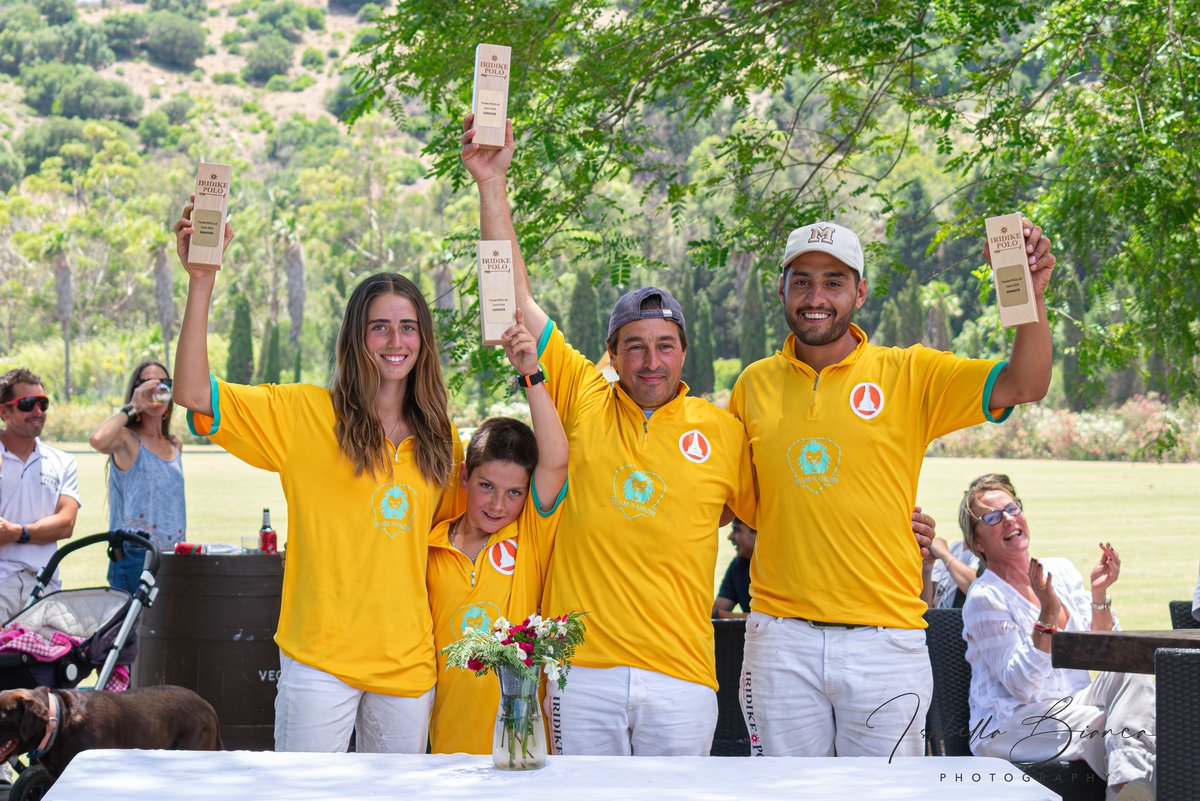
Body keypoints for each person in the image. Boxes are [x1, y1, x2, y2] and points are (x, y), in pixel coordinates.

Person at [463, 116, 756, 757]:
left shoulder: (723, 430)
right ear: (612, 354)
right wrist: (491, 181)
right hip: (580, 672)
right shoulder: (581, 392)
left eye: (665, 346)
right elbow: (515, 297)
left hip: (682, 675)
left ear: (685, 352)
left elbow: (771, 520)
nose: (651, 361)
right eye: (635, 347)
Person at [730, 218, 1057, 757]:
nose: (816, 297)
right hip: (781, 642)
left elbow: (1025, 383)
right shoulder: (752, 385)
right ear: (781, 288)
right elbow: (734, 499)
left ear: (860, 292)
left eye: (834, 282)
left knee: (885, 794)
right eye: (802, 281)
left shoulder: (910, 374)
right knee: (787, 793)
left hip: (884, 643)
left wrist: (1030, 298)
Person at [172, 205, 461, 753]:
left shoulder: (442, 439)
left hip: (408, 666)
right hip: (318, 663)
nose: (395, 341)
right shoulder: (303, 413)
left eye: (408, 327)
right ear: (356, 337)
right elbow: (191, 392)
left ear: (423, 340)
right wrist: (202, 280)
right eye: (379, 327)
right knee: (303, 793)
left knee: (395, 797)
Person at [960, 474, 1156, 801]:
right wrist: (1048, 615)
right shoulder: (985, 597)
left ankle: (1125, 788)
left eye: (1012, 508)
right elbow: (1020, 686)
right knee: (1135, 724)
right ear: (978, 543)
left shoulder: (1060, 571)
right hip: (1011, 724)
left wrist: (1099, 594)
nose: (1008, 519)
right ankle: (1128, 789)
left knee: (1137, 668)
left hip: (1072, 705)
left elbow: (1105, 653)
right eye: (992, 517)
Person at [428, 312, 569, 754]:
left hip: (517, 750)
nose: (497, 505)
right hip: (442, 747)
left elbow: (556, 460)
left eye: (513, 493)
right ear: (465, 477)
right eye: (487, 486)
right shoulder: (430, 545)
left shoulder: (528, 537)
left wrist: (531, 375)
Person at [89, 361, 186, 595]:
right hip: (135, 553)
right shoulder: (127, 439)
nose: (157, 388)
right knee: (133, 620)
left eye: (164, 382)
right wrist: (133, 406)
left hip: (172, 554)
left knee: (167, 619)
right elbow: (97, 440)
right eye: (147, 382)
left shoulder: (175, 445)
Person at [0, 369, 81, 621]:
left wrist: (18, 532)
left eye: (42, 403)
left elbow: (66, 524)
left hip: (44, 585)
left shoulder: (63, 461)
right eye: (27, 404)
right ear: (4, 412)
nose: (38, 411)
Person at [922, 533, 980, 609]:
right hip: (938, 616)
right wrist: (926, 569)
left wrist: (944, 554)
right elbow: (930, 606)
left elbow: (978, 589)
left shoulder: (984, 554)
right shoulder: (955, 547)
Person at [713, 519, 755, 619]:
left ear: (758, 532)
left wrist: (719, 614)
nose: (730, 537)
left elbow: (772, 619)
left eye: (737, 530)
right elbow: (719, 607)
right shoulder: (739, 565)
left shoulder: (779, 567)